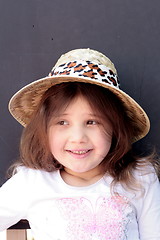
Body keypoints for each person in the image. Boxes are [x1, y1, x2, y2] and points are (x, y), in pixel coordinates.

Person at [0, 48, 160, 240]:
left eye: (92, 122)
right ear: (44, 130)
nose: (78, 137)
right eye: (62, 122)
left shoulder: (140, 178)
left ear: (115, 128)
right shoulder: (31, 183)